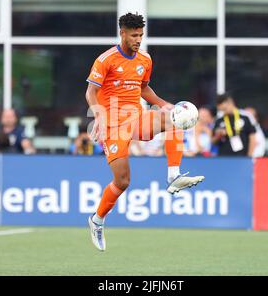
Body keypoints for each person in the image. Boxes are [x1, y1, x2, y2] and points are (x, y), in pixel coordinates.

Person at [85, 13, 204, 251]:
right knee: (122, 181)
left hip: (136, 118)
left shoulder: (145, 59)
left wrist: (163, 105)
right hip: (112, 125)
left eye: (141, 35)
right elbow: (90, 93)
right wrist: (98, 115)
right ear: (122, 33)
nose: (138, 39)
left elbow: (143, 88)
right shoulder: (105, 59)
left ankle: (174, 177)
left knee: (172, 121)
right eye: (134, 35)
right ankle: (97, 220)